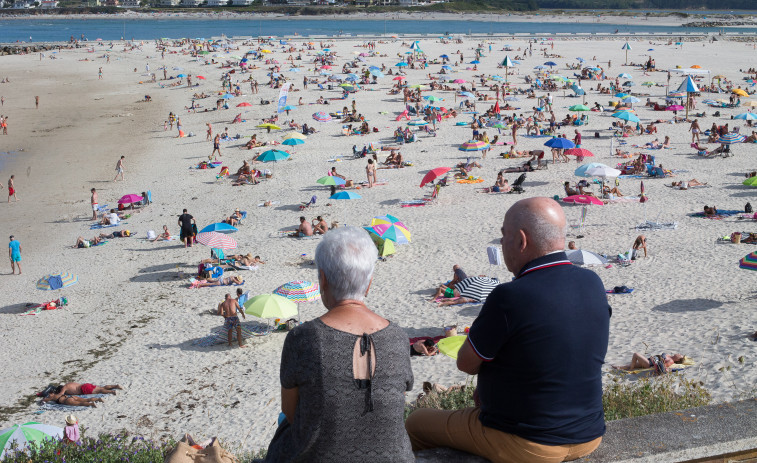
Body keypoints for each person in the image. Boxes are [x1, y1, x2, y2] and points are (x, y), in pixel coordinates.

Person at [406, 197, 610, 463]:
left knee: (416, 422)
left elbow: (466, 363)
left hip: (528, 442)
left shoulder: (510, 296)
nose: (501, 245)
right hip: (589, 434)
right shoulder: (592, 283)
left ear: (521, 241)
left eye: (504, 237)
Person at [263, 227, 414, 462]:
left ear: (323, 279)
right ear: (369, 283)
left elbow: (290, 412)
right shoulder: (398, 336)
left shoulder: (302, 338)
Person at [613, 352, 685, 372]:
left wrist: (654, 362)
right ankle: (619, 367)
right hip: (650, 360)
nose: (679, 354)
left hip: (649, 363)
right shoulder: (669, 355)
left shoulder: (671, 361)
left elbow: (662, 366)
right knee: (633, 364)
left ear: (678, 359)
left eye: (680, 355)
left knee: (636, 355)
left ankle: (631, 370)